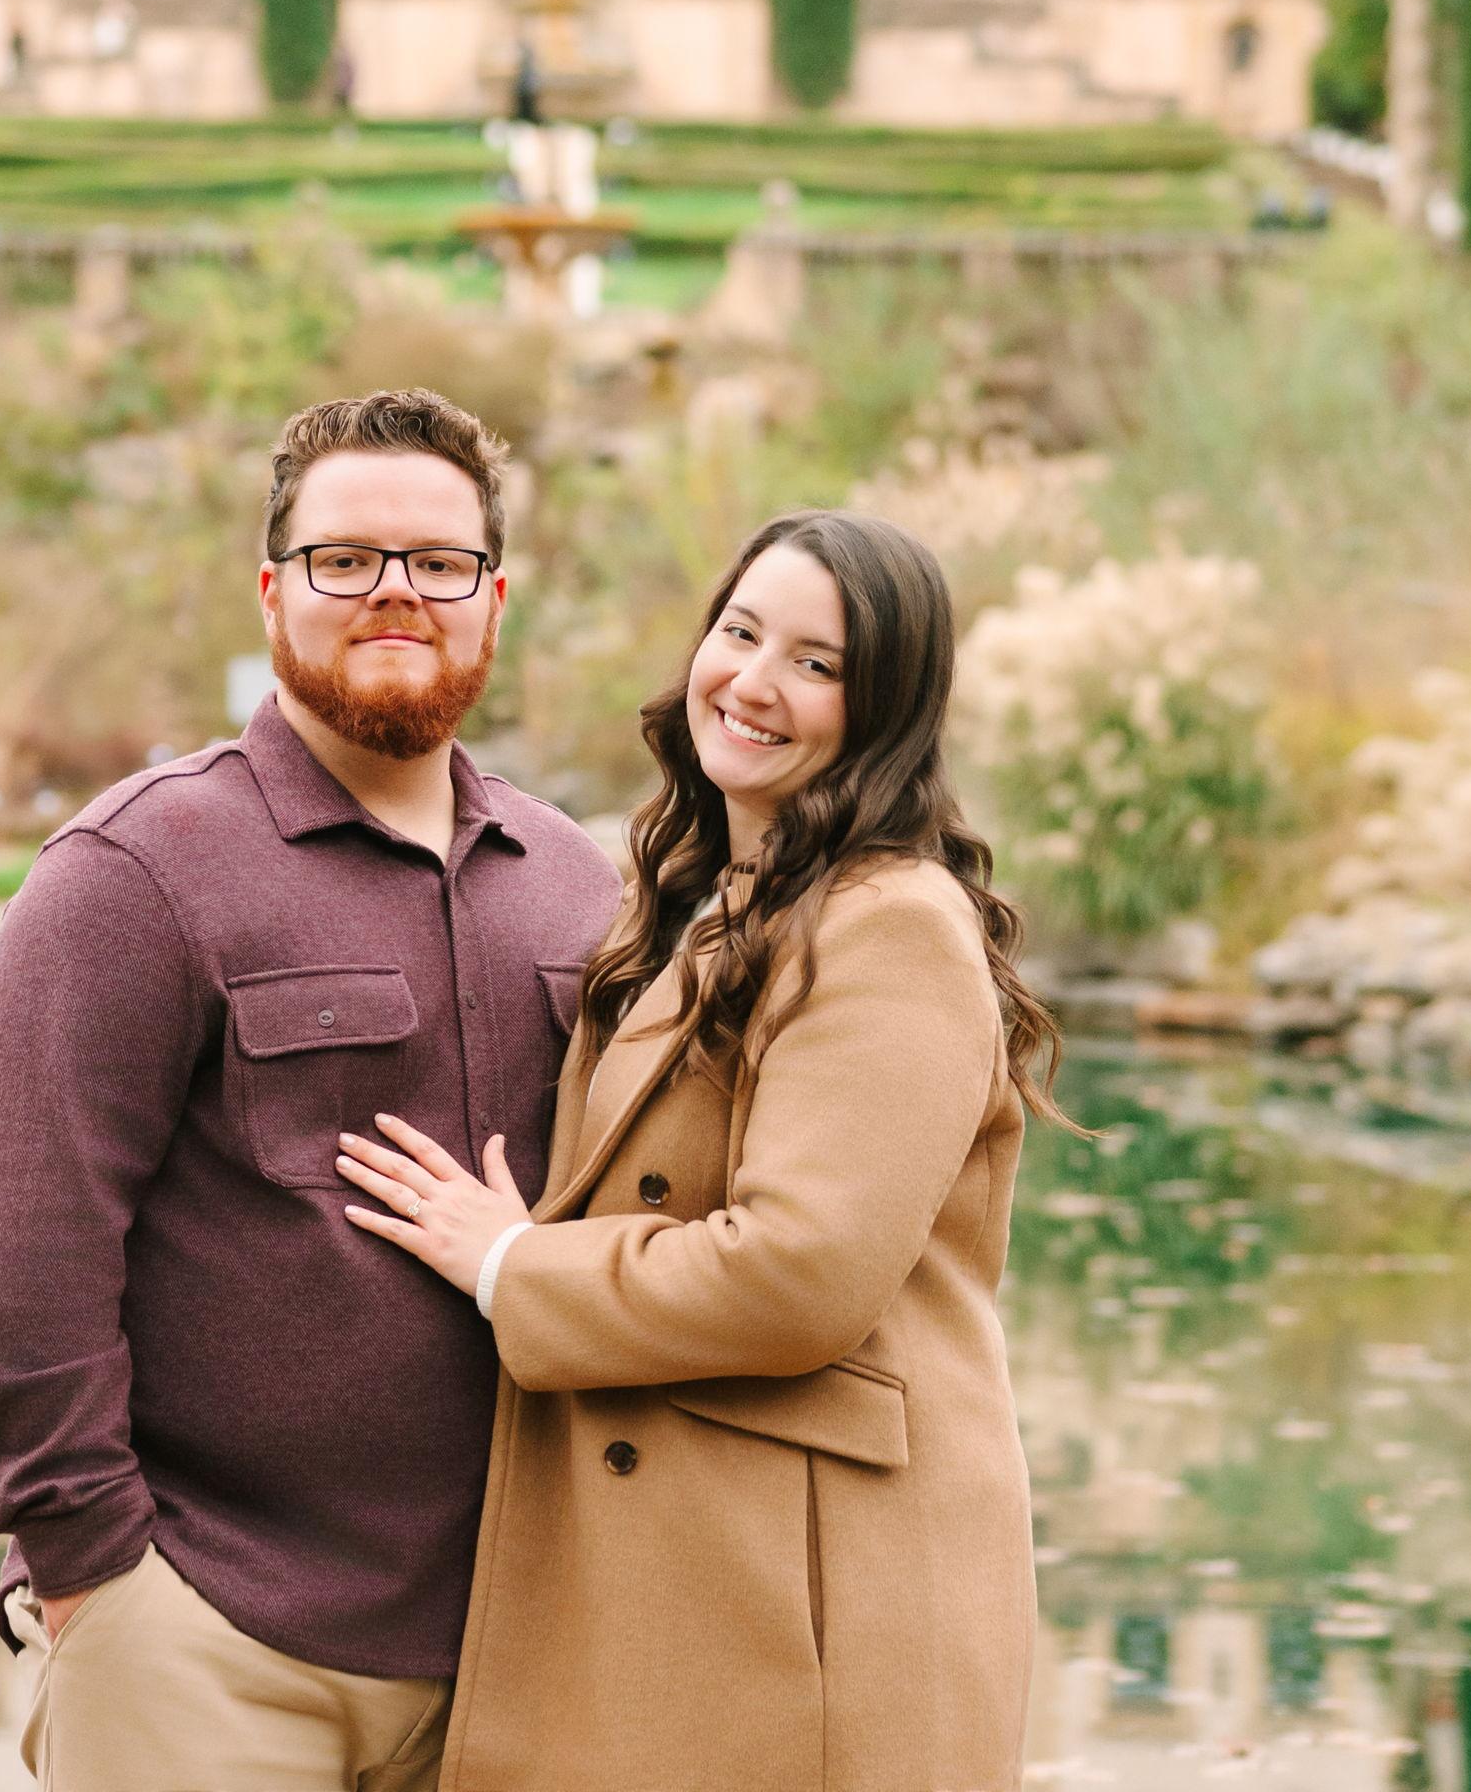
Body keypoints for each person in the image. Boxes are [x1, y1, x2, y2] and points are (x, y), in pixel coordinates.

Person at [0, 388, 623, 1792]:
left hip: (511, 1650)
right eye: (344, 559)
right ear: (272, 594)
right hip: (204, 1652)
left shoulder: (577, 883)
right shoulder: (130, 875)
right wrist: (96, 1581)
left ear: (492, 601)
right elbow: (29, 1258)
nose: (395, 591)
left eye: (438, 562)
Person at [335, 509, 1069, 1791]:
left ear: (886, 707)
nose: (754, 681)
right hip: (706, 1568)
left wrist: (516, 1264)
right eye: (739, 631)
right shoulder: (705, 895)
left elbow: (802, 1270)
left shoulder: (890, 923)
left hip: (814, 1597)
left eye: (818, 662)